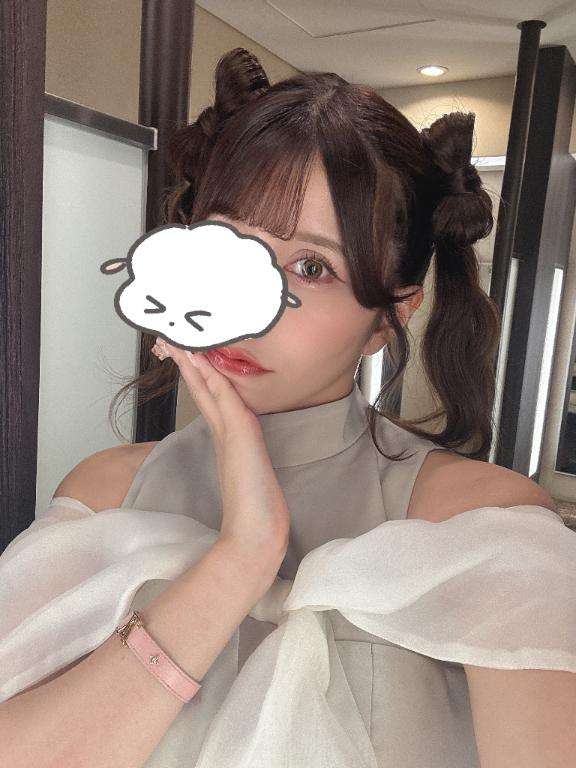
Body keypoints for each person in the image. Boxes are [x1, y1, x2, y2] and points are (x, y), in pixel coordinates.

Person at [1, 47, 575, 768]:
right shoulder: (105, 492)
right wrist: (243, 554)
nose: (246, 304)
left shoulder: (480, 527)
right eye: (229, 244)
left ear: (390, 314)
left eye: (311, 267)